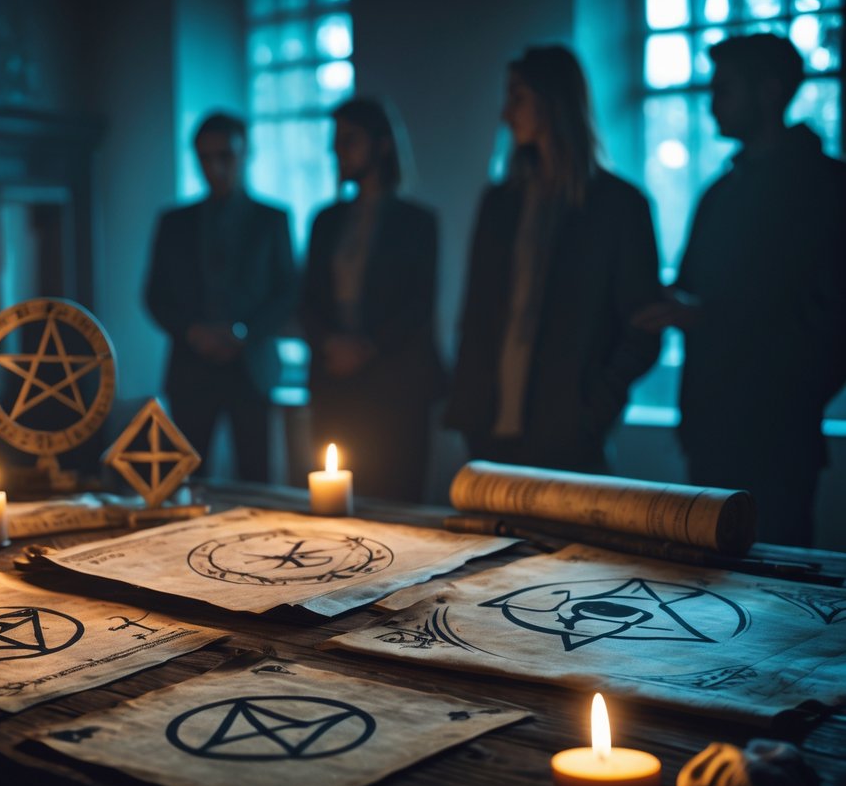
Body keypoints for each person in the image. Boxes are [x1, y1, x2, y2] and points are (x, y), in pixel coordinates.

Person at [633, 34, 846, 546]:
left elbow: (833, 321)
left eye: (724, 89)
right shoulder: (722, 192)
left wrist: (708, 319)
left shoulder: (829, 190)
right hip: (711, 430)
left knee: (779, 598)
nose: (710, 104)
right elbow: (690, 291)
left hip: (780, 435)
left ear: (769, 91)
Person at [446, 46, 661, 473]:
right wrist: (469, 405)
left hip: (569, 433)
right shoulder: (500, 203)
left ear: (554, 100)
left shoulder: (619, 205)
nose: (506, 113)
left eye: (518, 97)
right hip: (490, 428)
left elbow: (644, 326)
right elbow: (475, 315)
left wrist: (594, 406)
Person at [300, 98, 445, 503]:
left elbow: (420, 304)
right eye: (336, 141)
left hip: (396, 386)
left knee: (396, 500)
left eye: (349, 140)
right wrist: (331, 344)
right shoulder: (326, 220)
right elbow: (306, 298)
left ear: (381, 145)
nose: (338, 151)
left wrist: (367, 348)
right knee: (337, 504)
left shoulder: (417, 222)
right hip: (334, 382)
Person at [145, 112, 297, 482]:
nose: (215, 167)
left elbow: (289, 292)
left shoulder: (271, 219)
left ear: (245, 154)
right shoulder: (174, 221)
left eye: (225, 156)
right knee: (186, 480)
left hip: (251, 369)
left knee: (256, 477)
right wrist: (193, 332)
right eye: (205, 157)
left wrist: (244, 333)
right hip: (190, 369)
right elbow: (154, 294)